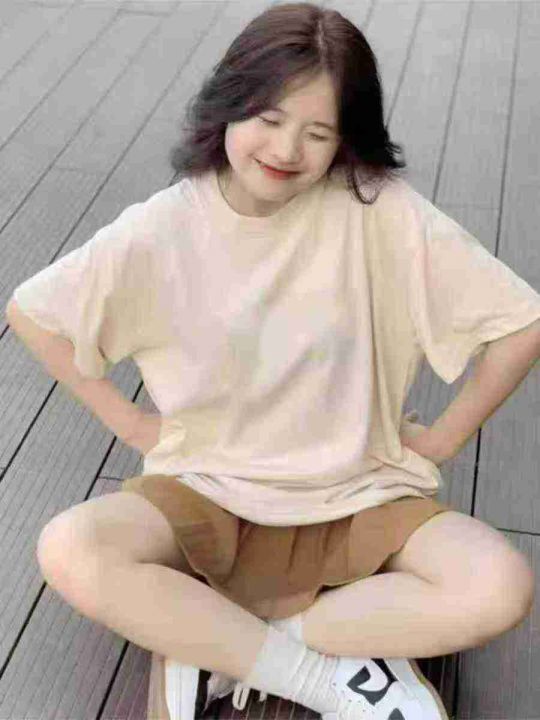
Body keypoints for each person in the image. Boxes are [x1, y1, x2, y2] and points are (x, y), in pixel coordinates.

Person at [5, 3, 540, 719]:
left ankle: (220, 642)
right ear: (229, 103)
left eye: (318, 132)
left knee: (500, 587)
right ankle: (322, 675)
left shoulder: (378, 209)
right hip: (208, 490)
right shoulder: (167, 226)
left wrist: (443, 440)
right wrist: (132, 425)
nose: (287, 148)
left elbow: (521, 323)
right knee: (70, 548)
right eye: (269, 117)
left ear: (345, 138)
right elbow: (34, 313)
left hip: (361, 494)